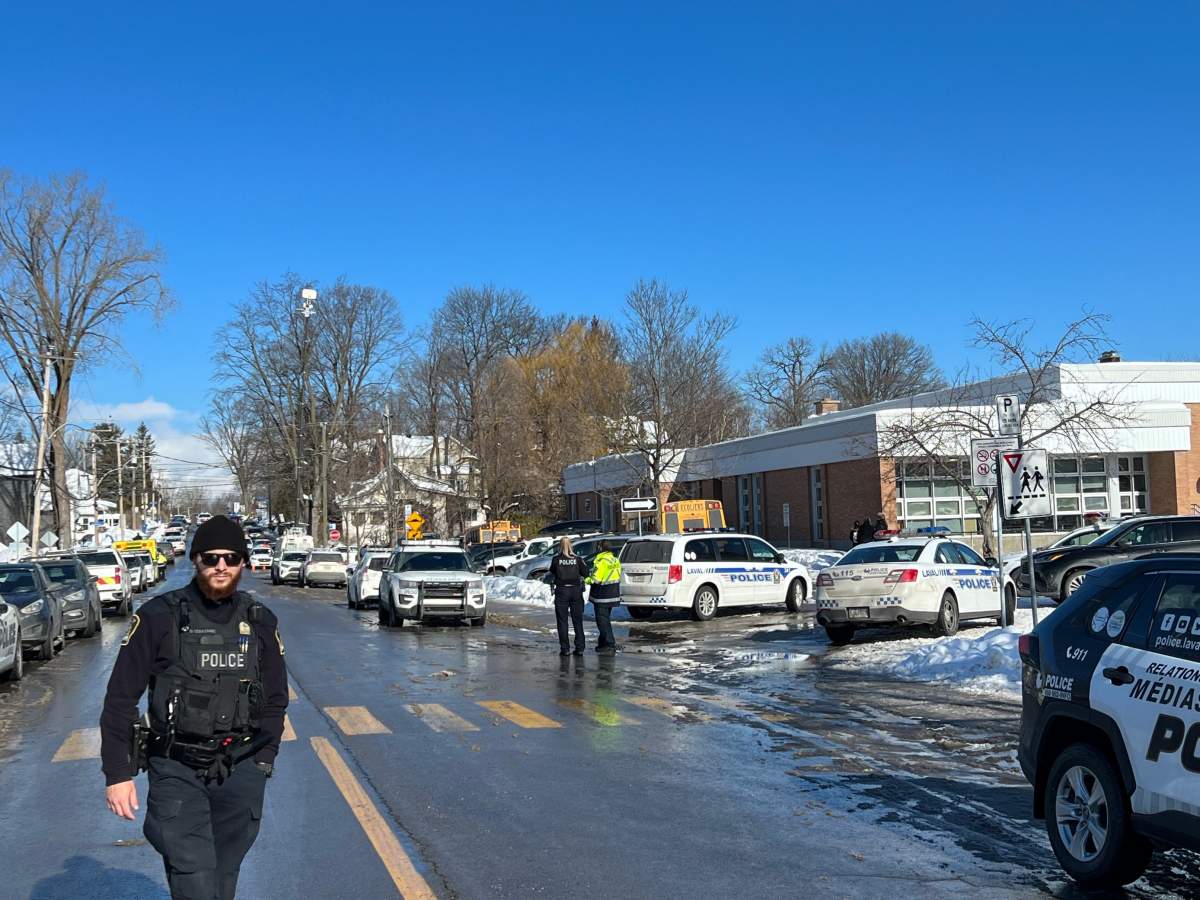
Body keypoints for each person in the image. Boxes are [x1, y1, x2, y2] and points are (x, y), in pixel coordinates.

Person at [100, 515, 288, 900]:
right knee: (195, 876)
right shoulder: (157, 617)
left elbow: (276, 698)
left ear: (243, 563)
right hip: (176, 767)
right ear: (195, 559)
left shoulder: (260, 620)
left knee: (222, 875)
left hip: (240, 768)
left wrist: (263, 760)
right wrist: (117, 774)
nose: (221, 565)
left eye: (231, 558)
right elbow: (120, 699)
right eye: (211, 556)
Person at [546, 536, 589, 656]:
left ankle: (565, 649)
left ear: (560, 546)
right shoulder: (578, 559)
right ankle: (580, 647)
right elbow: (586, 573)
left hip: (561, 591)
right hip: (576, 591)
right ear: (571, 545)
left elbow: (552, 571)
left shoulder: (556, 559)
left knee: (562, 621)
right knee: (577, 621)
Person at [585, 540, 621, 655]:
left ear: (600, 548)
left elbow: (596, 579)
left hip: (602, 595)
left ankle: (609, 644)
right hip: (613, 594)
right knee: (605, 620)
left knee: (602, 622)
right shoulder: (615, 560)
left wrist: (586, 579)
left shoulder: (601, 561)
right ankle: (602, 643)